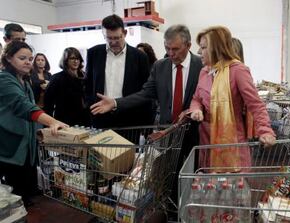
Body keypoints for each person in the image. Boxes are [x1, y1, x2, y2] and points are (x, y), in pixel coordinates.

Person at [90, 24, 203, 207]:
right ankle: (170, 209)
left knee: (191, 175)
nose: (171, 53)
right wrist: (116, 102)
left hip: (195, 134)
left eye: (175, 49)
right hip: (167, 134)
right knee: (167, 177)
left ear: (188, 45)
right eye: (167, 48)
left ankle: (188, 209)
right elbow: (144, 94)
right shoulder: (160, 66)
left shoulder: (202, 66)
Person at [190, 26, 276, 171]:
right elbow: (196, 98)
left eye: (203, 47)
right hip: (207, 142)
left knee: (233, 188)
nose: (199, 52)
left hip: (232, 143)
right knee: (211, 188)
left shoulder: (238, 71)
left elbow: (255, 105)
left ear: (216, 48)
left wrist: (265, 130)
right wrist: (196, 109)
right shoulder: (204, 72)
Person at [0, 41, 68, 206]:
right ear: (9, 58)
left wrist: (39, 133)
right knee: (16, 194)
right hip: (11, 145)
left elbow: (31, 109)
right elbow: (23, 106)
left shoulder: (24, 81)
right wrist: (52, 121)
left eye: (30, 58)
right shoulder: (4, 80)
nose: (28, 62)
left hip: (26, 144)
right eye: (22, 58)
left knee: (27, 189)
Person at [85, 14, 153, 128]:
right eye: (109, 38)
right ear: (103, 35)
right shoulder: (94, 53)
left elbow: (145, 90)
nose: (113, 42)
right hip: (100, 116)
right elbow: (88, 84)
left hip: (129, 118)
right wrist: (90, 105)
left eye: (117, 37)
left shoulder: (139, 57)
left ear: (125, 33)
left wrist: (145, 121)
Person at [44, 47, 90, 126]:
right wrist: (49, 124)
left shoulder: (85, 77)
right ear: (66, 60)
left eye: (78, 58)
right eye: (72, 58)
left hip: (84, 120)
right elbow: (48, 103)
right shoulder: (57, 78)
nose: (76, 61)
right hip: (64, 121)